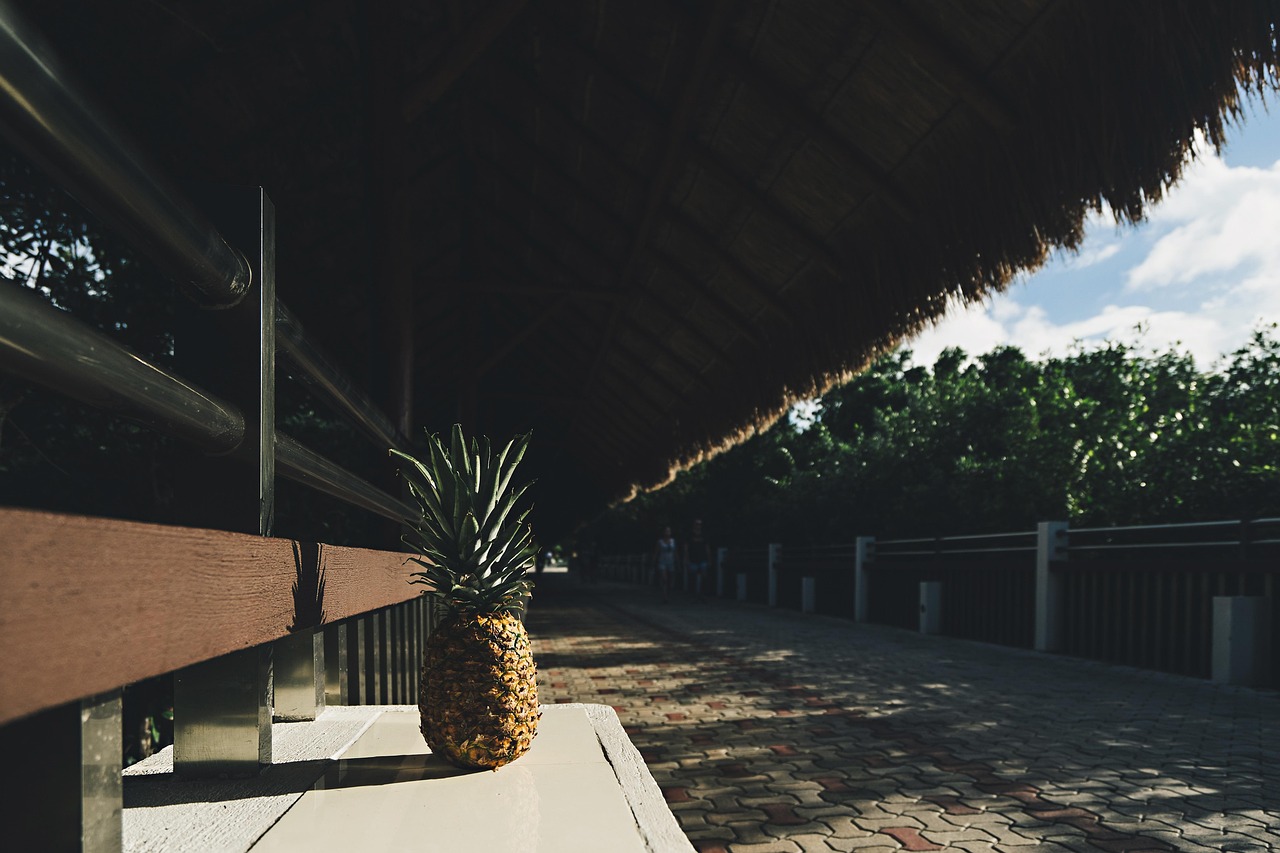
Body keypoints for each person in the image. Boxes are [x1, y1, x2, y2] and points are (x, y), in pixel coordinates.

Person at [684, 518, 711, 601]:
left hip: (702, 559)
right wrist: (687, 559)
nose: (698, 526)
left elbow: (707, 548)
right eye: (697, 524)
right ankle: (693, 595)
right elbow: (686, 548)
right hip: (692, 559)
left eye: (700, 524)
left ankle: (703, 595)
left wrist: (709, 559)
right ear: (694, 525)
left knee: (704, 576)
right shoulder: (690, 535)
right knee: (692, 577)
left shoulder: (704, 535)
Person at [654, 526, 677, 603]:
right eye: (666, 531)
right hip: (662, 562)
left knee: (670, 580)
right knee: (664, 579)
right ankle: (665, 597)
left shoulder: (673, 541)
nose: (667, 532)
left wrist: (678, 562)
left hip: (671, 562)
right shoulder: (660, 542)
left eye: (669, 531)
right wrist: (653, 561)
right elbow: (656, 552)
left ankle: (668, 594)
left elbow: (675, 552)